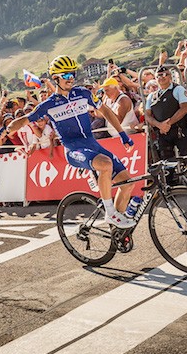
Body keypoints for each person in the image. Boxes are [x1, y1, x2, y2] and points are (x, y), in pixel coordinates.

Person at [8, 55, 137, 228]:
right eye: (67, 76)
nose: (71, 79)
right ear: (56, 78)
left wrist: (123, 135)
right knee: (106, 164)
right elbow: (24, 120)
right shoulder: (49, 104)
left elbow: (105, 110)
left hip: (92, 144)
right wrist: (9, 127)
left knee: (128, 183)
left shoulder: (83, 93)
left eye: (73, 74)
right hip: (74, 149)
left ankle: (117, 229)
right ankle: (110, 213)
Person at [144, 65, 187, 188]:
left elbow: (184, 109)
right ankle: (169, 186)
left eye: (165, 74)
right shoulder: (152, 96)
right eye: (159, 75)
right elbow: (148, 116)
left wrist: (168, 124)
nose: (162, 77)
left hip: (179, 130)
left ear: (170, 76)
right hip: (163, 133)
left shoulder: (178, 89)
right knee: (166, 162)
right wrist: (160, 125)